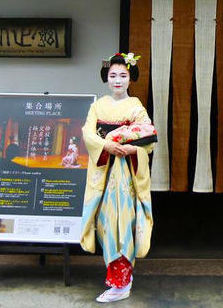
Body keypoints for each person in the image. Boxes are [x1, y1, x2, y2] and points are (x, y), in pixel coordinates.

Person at [80, 53, 155, 303]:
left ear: (130, 78)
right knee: (104, 223)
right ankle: (120, 277)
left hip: (125, 176)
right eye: (113, 75)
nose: (118, 80)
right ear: (106, 78)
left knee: (122, 223)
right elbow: (88, 135)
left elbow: (148, 142)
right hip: (103, 172)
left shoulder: (136, 107)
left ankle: (121, 282)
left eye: (123, 75)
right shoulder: (97, 106)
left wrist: (131, 148)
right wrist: (107, 145)